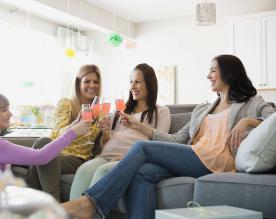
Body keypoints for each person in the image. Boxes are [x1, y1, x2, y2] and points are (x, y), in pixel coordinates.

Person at [62, 54, 276, 219]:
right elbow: (176, 140)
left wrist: (247, 121)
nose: (208, 75)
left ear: (229, 73)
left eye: (213, 70)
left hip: (216, 160)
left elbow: (272, 120)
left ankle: (90, 204)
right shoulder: (202, 110)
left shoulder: (252, 102)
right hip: (194, 154)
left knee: (141, 148)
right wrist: (140, 127)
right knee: (142, 173)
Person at [69, 63, 171, 200]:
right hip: (106, 155)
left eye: (138, 82)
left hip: (128, 158)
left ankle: (86, 211)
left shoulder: (161, 112)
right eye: (131, 82)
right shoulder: (120, 112)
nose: (132, 87)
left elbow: (161, 142)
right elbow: (105, 142)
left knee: (103, 172)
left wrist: (137, 125)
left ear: (149, 84)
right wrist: (105, 131)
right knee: (84, 170)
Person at [0, 91, 92, 191]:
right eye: (4, 110)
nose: (10, 114)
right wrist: (73, 132)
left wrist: (74, 124)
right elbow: (41, 157)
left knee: (44, 141)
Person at [28, 64, 102, 201]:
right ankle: (47, 208)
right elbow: (57, 133)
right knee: (43, 144)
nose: (92, 85)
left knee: (43, 158)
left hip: (78, 158)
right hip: (56, 150)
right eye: (87, 81)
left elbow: (102, 144)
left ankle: (47, 207)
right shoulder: (66, 104)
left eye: (96, 82)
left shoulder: (100, 112)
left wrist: (107, 129)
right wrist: (75, 126)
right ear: (78, 83)